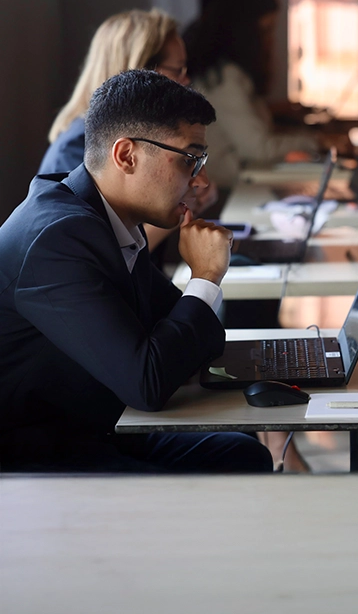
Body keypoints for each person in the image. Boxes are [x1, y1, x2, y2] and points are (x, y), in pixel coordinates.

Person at [0, 69, 271, 473]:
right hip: (38, 455)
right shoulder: (58, 239)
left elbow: (198, 339)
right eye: (190, 160)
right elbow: (147, 383)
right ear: (127, 155)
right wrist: (205, 277)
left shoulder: (104, 217)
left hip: (91, 426)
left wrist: (197, 301)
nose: (201, 181)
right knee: (236, 464)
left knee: (243, 451)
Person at [185, 0, 320, 183]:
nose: (270, 40)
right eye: (265, 30)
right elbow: (258, 148)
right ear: (245, 32)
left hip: (238, 175)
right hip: (226, 186)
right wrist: (316, 142)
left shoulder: (231, 73)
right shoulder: (224, 78)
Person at [41, 9, 191, 174]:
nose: (186, 81)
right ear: (142, 71)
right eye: (178, 70)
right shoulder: (75, 153)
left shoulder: (142, 136)